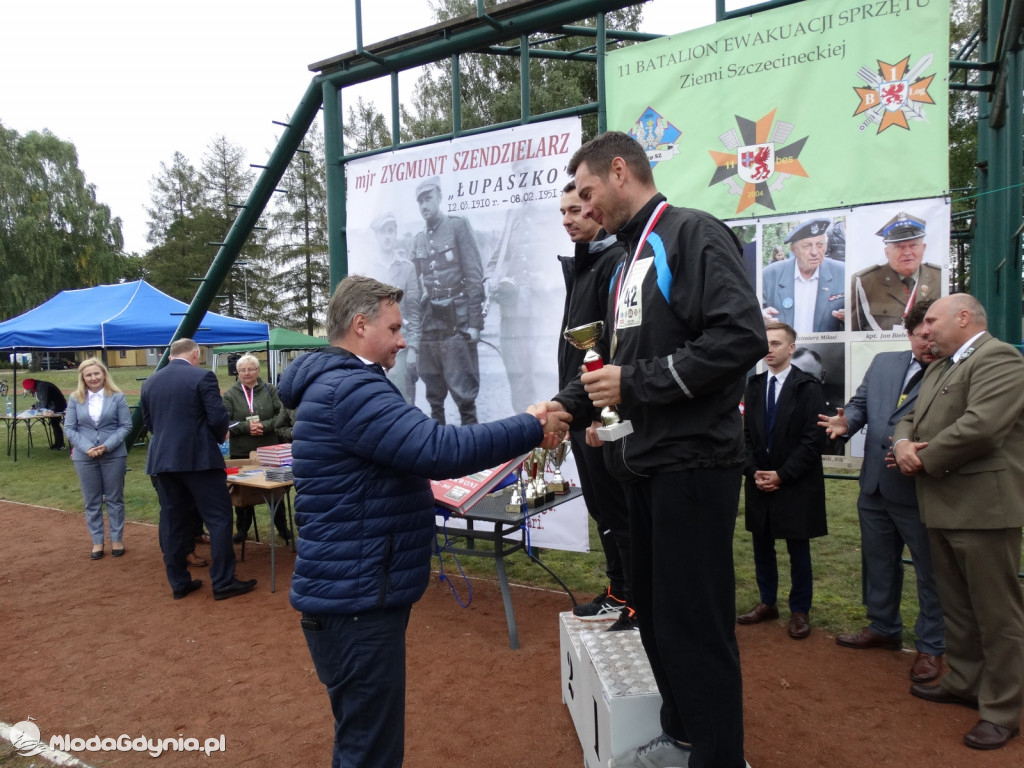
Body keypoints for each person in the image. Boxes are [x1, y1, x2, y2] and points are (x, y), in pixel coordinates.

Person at [277, 275, 569, 768]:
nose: (402, 339)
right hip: (358, 601)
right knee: (369, 749)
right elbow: (439, 449)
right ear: (360, 324)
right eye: (393, 328)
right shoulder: (351, 388)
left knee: (364, 737)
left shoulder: (340, 384)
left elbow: (378, 474)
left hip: (354, 592)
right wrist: (532, 425)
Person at [552, 131, 767, 768]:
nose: (585, 208)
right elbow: (614, 363)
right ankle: (681, 735)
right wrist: (569, 406)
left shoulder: (691, 233)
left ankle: (719, 756)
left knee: (695, 625)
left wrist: (637, 384)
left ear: (621, 171)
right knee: (655, 617)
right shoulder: (623, 260)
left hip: (694, 464)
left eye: (589, 192)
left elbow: (740, 337)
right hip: (641, 465)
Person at [892, 294, 1024, 751]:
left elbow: (983, 426)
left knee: (997, 615)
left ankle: (1003, 710)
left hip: (984, 508)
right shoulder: (939, 366)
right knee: (959, 608)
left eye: (932, 320)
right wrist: (903, 443)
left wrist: (921, 461)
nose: (925, 329)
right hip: (943, 504)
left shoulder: (999, 358)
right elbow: (907, 416)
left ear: (963, 317)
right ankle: (966, 681)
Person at [818, 299, 945, 683]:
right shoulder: (885, 363)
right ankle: (884, 626)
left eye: (932, 335)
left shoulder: (952, 371)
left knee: (931, 571)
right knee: (878, 562)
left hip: (921, 490)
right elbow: (860, 404)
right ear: (908, 334)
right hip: (873, 486)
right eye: (920, 335)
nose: (927, 342)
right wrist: (847, 422)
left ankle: (931, 646)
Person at [557, 181, 634, 630]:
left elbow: (614, 345)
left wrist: (606, 415)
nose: (567, 219)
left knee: (619, 510)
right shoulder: (584, 264)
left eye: (576, 210)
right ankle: (619, 590)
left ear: (597, 211)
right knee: (603, 510)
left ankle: (636, 600)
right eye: (563, 212)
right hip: (582, 409)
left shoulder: (614, 262)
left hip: (601, 414)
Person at [141, 338, 256, 602]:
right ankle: (223, 581)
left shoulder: (150, 382)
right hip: (199, 460)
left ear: (171, 356)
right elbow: (217, 418)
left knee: (173, 521)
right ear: (195, 354)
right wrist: (220, 435)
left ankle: (179, 582)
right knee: (218, 519)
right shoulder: (202, 377)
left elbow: (149, 423)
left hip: (163, 461)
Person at [738, 322, 827, 640]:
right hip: (760, 481)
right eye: (766, 343)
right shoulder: (754, 384)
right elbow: (745, 435)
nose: (769, 349)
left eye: (776, 343)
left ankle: (800, 610)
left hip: (795, 483)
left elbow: (812, 440)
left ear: (791, 348)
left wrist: (783, 475)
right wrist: (753, 471)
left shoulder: (808, 386)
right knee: (762, 544)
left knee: (797, 548)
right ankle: (767, 602)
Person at [411, 176, 485, 425]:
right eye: (420, 201)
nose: (424, 205)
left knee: (465, 393)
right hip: (431, 322)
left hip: (457, 320)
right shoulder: (419, 240)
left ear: (439, 197)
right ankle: (440, 452)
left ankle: (474, 454)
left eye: (428, 198)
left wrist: (474, 324)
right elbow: (415, 285)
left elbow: (474, 276)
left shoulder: (457, 226)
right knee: (434, 394)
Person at [63, 358, 132, 560]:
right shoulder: (75, 398)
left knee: (115, 498)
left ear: (104, 375)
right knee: (91, 500)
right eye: (89, 375)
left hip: (113, 455)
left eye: (96, 373)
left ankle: (117, 539)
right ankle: (97, 541)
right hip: (84, 456)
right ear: (83, 378)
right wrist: (87, 448)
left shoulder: (117, 397)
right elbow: (69, 428)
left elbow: (125, 426)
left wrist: (107, 445)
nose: (93, 378)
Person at [222, 353, 289, 544]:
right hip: (242, 452)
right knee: (243, 493)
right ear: (237, 372)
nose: (246, 373)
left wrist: (265, 426)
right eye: (242, 370)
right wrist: (247, 427)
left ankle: (283, 528)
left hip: (270, 451)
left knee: (277, 492)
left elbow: (281, 414)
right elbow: (225, 421)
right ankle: (242, 530)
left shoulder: (270, 390)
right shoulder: (230, 394)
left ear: (258, 371)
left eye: (251, 369)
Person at [850, 212, 942, 331]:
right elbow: (855, 331)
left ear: (923, 248)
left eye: (913, 245)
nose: (907, 252)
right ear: (887, 252)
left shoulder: (940, 277)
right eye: (899, 247)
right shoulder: (864, 282)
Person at [367, 211, 421, 403]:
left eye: (391, 231)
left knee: (403, 402)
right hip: (372, 348)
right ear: (376, 235)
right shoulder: (367, 269)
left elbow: (414, 311)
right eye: (383, 232)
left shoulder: (407, 268)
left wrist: (413, 348)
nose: (388, 236)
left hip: (400, 348)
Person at [762, 217, 845, 333]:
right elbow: (752, 313)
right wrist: (761, 317)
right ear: (793, 250)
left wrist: (850, 318)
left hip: (826, 350)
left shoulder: (843, 272)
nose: (815, 252)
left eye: (820, 245)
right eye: (807, 246)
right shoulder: (770, 274)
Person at [21, 377, 67, 449]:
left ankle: (60, 444)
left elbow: (44, 400)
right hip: (55, 406)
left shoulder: (42, 386)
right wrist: (35, 406)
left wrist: (39, 409)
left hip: (56, 406)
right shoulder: (41, 385)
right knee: (54, 424)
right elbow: (42, 400)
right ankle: (58, 443)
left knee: (55, 424)